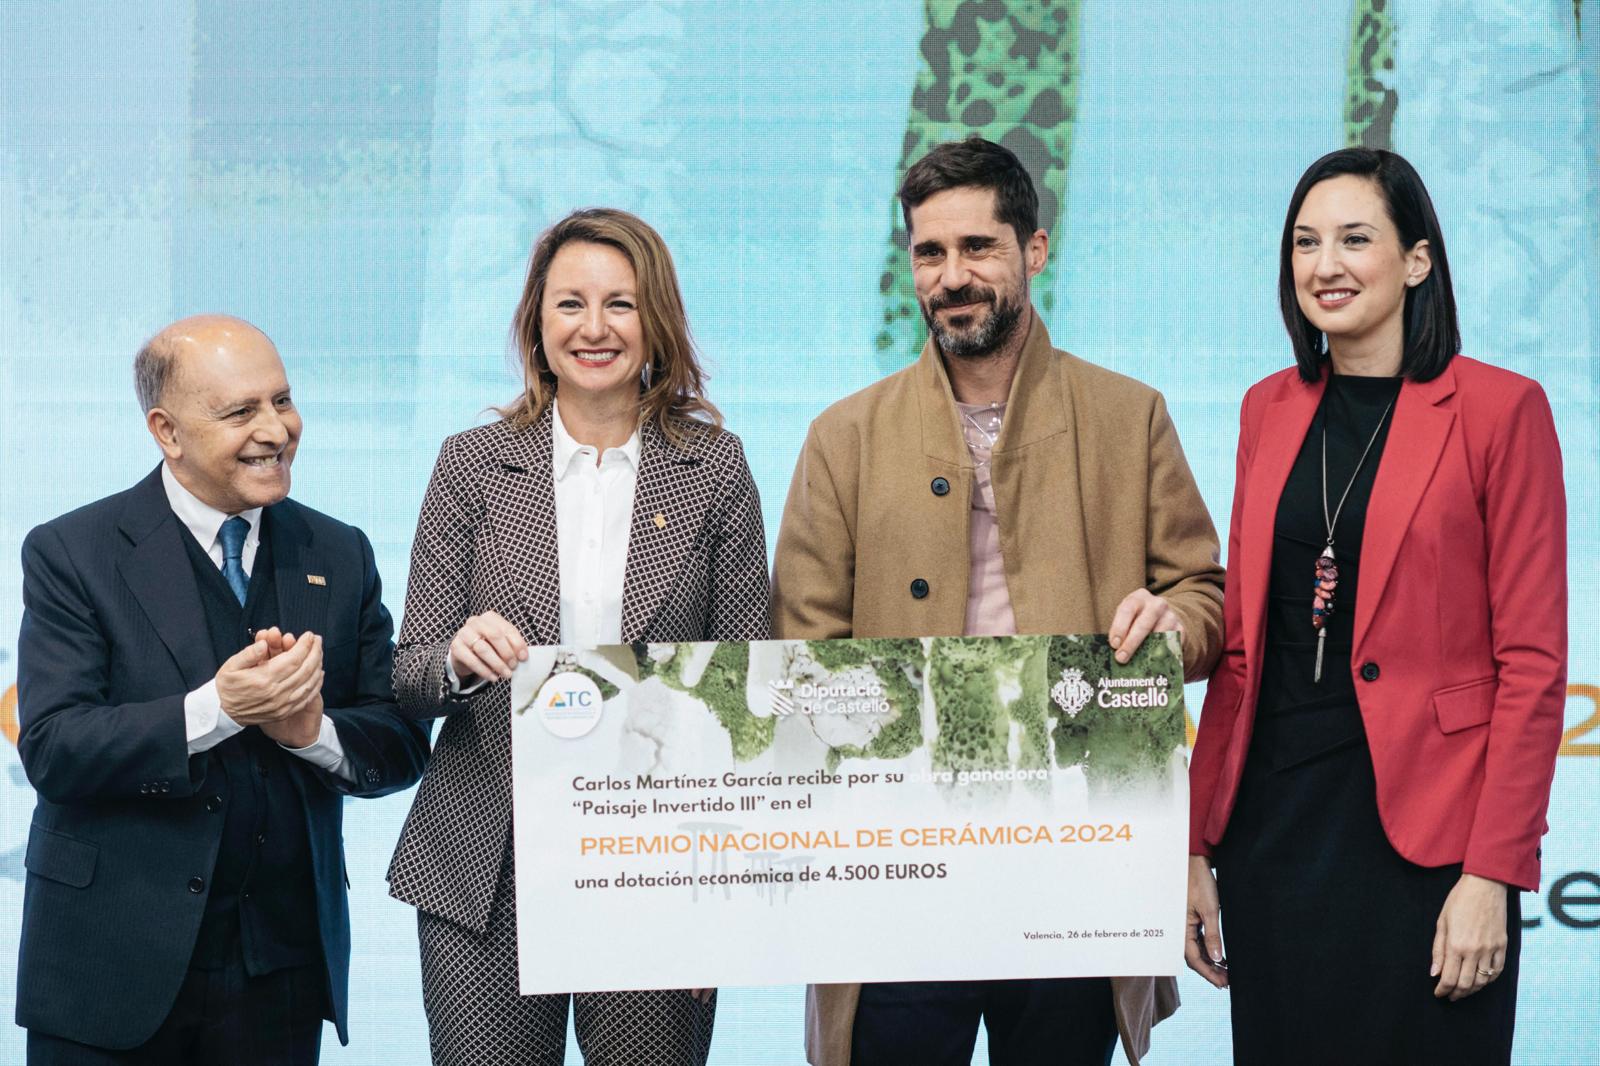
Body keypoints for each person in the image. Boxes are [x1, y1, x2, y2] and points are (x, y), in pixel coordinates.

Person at [773, 136, 1224, 1066]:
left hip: (1077, 859)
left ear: (1035, 250)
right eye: (930, 253)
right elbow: (800, 651)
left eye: (978, 247)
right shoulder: (841, 437)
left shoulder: (1128, 415)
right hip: (899, 866)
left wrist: (1175, 625)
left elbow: (1203, 594)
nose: (953, 275)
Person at [1185, 148, 1567, 1065]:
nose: (1326, 265)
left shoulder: (1502, 410)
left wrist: (1492, 874)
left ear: (1417, 260)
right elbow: (1242, 651)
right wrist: (1195, 846)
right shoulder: (1265, 408)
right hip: (1275, 832)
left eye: (1356, 239)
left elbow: (1534, 666)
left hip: (1429, 848)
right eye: (1305, 243)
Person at [386, 207, 771, 1066]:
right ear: (536, 322)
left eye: (621, 305)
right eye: (570, 304)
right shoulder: (471, 463)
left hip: (655, 862)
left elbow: (747, 686)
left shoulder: (716, 468)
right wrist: (454, 659)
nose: (594, 329)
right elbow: (407, 675)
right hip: (485, 862)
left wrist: (720, 901)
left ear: (657, 323)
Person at [14, 315, 431, 1064]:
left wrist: (311, 731)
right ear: (167, 432)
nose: (276, 428)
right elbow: (52, 747)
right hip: (110, 972)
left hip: (281, 978)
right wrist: (219, 710)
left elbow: (398, 744)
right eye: (241, 412)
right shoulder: (72, 552)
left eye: (282, 400)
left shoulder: (338, 551)